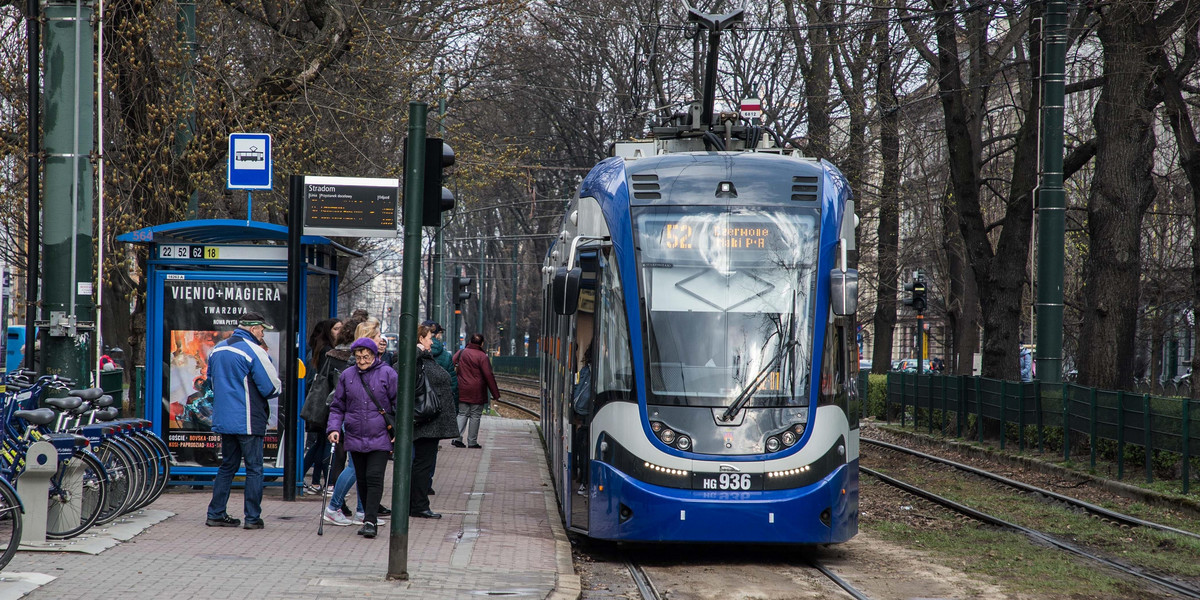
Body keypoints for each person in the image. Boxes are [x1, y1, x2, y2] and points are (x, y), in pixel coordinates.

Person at [205, 311, 282, 530]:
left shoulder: (217, 349)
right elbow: (271, 387)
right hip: (248, 419)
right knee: (254, 468)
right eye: (261, 330)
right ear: (253, 328)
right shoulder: (254, 351)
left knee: (227, 466)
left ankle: (216, 513)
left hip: (224, 419)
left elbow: (210, 383)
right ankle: (252, 517)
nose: (262, 334)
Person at [326, 337, 398, 539]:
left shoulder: (387, 374)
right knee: (363, 479)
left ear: (375, 356)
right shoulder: (347, 376)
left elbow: (398, 403)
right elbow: (337, 405)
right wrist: (333, 428)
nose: (362, 361)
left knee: (375, 477)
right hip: (355, 435)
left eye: (366, 357)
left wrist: (397, 432)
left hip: (380, 436)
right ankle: (367, 515)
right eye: (358, 357)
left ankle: (370, 521)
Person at [410, 323, 459, 518]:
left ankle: (418, 503)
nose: (433, 341)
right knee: (422, 465)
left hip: (430, 422)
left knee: (423, 464)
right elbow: (401, 368)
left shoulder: (426, 358)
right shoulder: (415, 357)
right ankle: (418, 505)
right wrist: (417, 351)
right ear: (420, 340)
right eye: (429, 338)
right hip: (425, 421)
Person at [301, 318, 343, 493]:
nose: (339, 331)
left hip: (320, 402)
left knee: (319, 444)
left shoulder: (322, 348)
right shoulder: (328, 351)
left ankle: (302, 474)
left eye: (341, 328)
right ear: (328, 331)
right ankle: (330, 483)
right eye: (336, 329)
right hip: (324, 403)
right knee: (325, 443)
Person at [451, 333, 500, 449]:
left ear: (470, 341)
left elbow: (452, 363)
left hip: (462, 388)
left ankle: (456, 438)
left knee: (462, 413)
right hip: (477, 391)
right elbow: (488, 375)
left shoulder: (461, 352)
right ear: (482, 343)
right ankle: (472, 442)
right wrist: (495, 394)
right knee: (475, 416)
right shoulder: (482, 356)